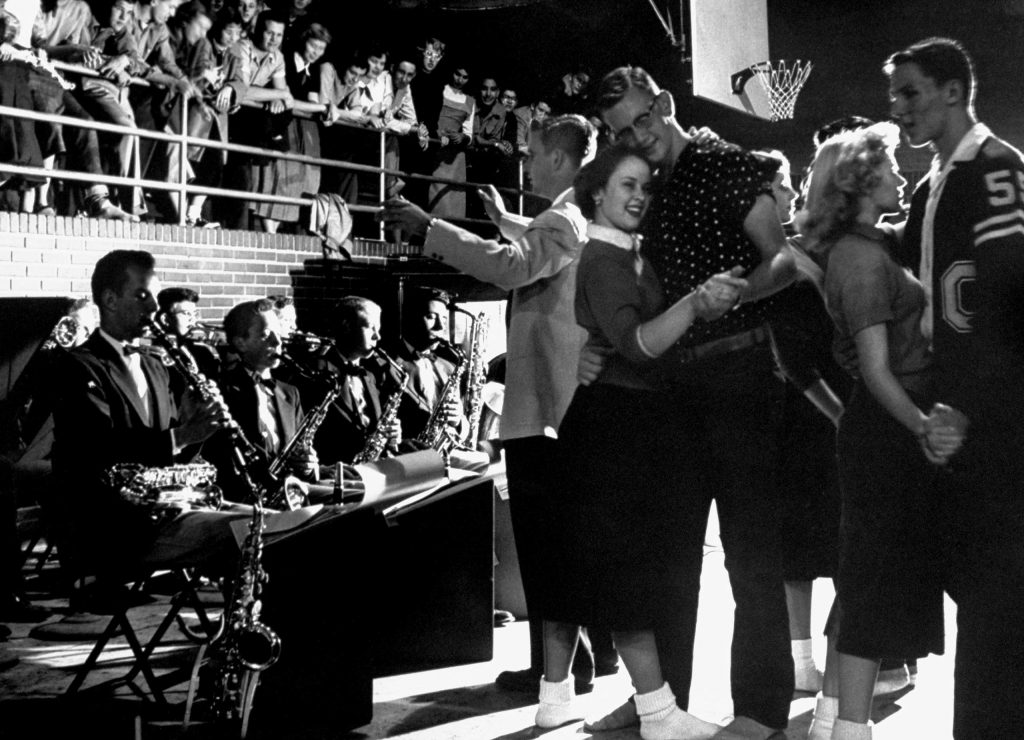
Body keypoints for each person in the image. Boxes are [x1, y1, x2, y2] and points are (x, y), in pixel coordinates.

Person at [589, 65, 796, 740]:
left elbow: (785, 260)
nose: (637, 136)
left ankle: (762, 713)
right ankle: (660, 703)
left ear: (667, 104)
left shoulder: (731, 165)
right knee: (669, 554)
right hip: (676, 389)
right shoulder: (648, 186)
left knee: (750, 555)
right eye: (623, 131)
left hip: (741, 378)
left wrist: (737, 294)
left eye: (644, 120)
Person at [382, 114, 620, 698]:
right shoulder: (580, 210)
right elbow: (540, 244)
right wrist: (502, 221)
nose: (527, 161)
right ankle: (601, 651)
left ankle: (561, 666)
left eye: (534, 153)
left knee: (546, 542)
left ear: (560, 160)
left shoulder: (564, 215)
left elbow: (515, 264)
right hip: (571, 403)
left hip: (546, 405)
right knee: (578, 535)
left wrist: (429, 227)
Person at [537, 142, 748, 738]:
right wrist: (695, 304)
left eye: (644, 187)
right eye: (625, 185)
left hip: (631, 424)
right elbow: (638, 345)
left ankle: (600, 702)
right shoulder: (603, 260)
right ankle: (657, 712)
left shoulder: (632, 255)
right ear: (596, 194)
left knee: (620, 570)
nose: (638, 197)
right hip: (612, 429)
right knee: (626, 572)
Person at [799, 124, 959, 740]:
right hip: (885, 428)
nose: (899, 177)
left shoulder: (871, 242)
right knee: (869, 585)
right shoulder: (860, 259)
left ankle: (834, 722)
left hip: (883, 427)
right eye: (890, 169)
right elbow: (876, 368)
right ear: (863, 182)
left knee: (866, 580)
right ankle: (851, 731)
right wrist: (923, 427)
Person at [885, 36, 1024, 739]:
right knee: (976, 587)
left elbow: (1006, 299)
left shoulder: (996, 165)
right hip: (956, 408)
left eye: (909, 92)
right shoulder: (930, 184)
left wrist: (965, 406)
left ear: (950, 90)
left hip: (996, 416)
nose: (899, 109)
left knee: (998, 594)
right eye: (895, 96)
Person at [209, 298, 319, 504]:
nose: (277, 343)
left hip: (290, 499)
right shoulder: (220, 392)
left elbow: (302, 453)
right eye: (266, 335)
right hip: (243, 505)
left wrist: (309, 465)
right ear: (240, 342)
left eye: (278, 334)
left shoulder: (291, 393)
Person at [308, 296, 405, 466]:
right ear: (346, 327)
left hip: (372, 468)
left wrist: (392, 437)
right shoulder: (317, 371)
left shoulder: (371, 375)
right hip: (336, 472)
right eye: (371, 328)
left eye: (379, 329)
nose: (378, 336)